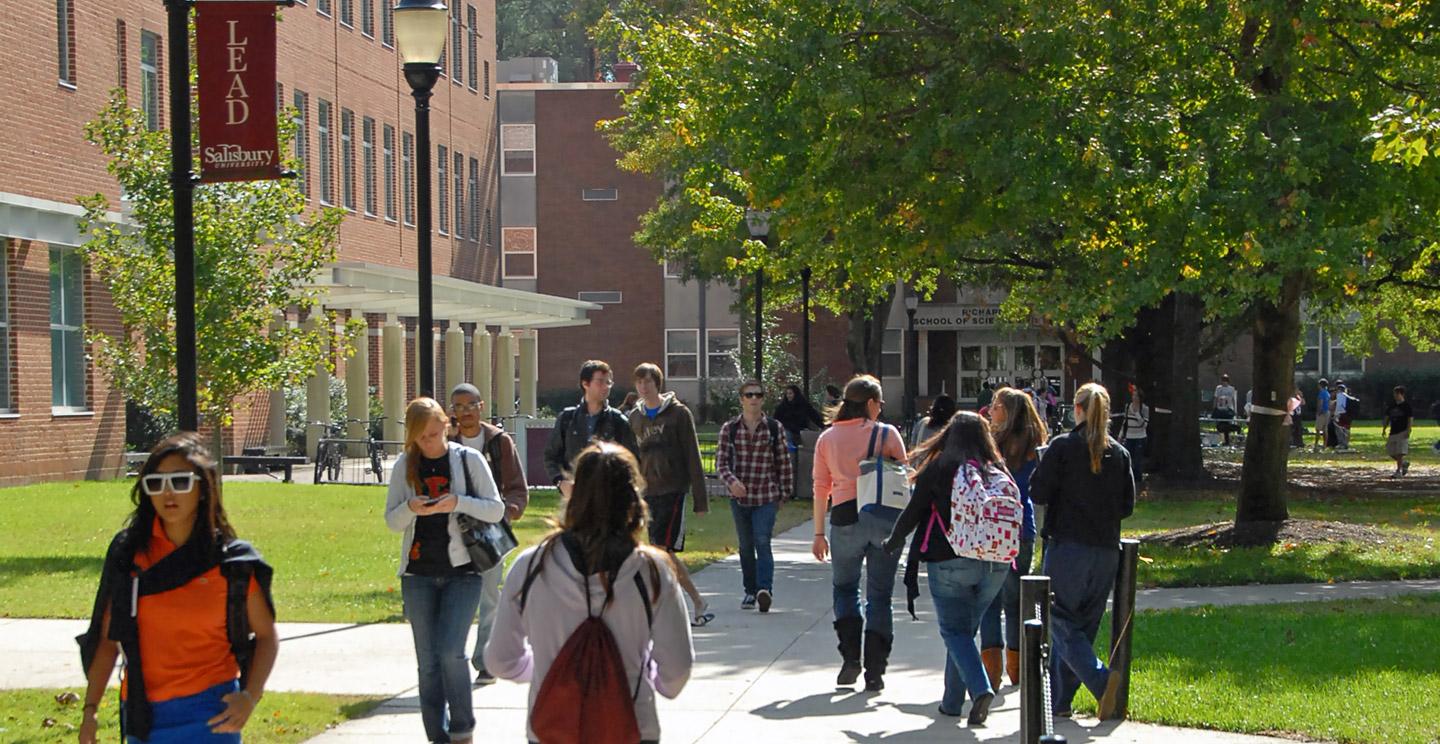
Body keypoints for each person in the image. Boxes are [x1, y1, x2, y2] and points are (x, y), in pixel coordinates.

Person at [484, 442, 695, 744]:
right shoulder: (652, 572)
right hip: (632, 727)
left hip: (554, 729)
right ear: (634, 499)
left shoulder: (531, 567)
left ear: (574, 493)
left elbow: (500, 660)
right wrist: (648, 678)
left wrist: (550, 668)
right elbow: (676, 671)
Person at [78, 433, 278, 744]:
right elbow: (107, 641)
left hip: (212, 713)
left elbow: (266, 635)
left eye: (181, 481)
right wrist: (90, 710)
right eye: (156, 483)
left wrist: (250, 697)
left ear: (202, 487)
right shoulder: (130, 556)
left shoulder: (231, 562)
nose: (168, 493)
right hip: (144, 714)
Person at [385, 397, 506, 744]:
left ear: (447, 426)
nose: (431, 442)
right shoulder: (404, 466)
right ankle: (436, 735)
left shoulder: (468, 459)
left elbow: (496, 509)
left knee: (451, 652)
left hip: (463, 572)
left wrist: (459, 502)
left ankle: (462, 729)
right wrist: (411, 508)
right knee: (428, 661)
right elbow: (392, 521)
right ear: (412, 437)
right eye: (423, 438)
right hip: (418, 574)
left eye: (436, 434)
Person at [884, 412, 1014, 724]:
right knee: (965, 633)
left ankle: (980, 688)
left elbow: (914, 512)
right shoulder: (996, 468)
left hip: (951, 560)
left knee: (955, 631)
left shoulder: (941, 466)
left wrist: (893, 542)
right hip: (996, 564)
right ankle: (952, 703)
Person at [1030, 382, 1135, 720]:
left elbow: (1039, 492)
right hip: (1106, 551)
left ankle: (1101, 681)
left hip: (1068, 548)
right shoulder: (1119, 453)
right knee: (1082, 629)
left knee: (1058, 620)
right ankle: (1061, 702)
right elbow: (1127, 506)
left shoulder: (1063, 447)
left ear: (1077, 409)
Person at [812, 375, 908, 691]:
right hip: (881, 517)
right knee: (879, 595)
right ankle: (875, 670)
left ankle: (850, 657)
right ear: (869, 403)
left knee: (844, 588)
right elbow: (903, 477)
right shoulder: (887, 434)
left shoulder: (827, 438)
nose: (881, 408)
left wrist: (817, 534)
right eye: (879, 403)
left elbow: (820, 487)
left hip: (843, 517)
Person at [448, 383, 530, 687]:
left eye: (471, 405)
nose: (466, 412)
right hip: (451, 529)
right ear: (452, 411)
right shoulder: (446, 441)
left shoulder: (498, 442)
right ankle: (452, 658)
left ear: (482, 407)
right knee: (455, 595)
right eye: (459, 406)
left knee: (489, 595)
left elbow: (517, 487)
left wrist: (508, 511)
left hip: (489, 531)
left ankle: (484, 661)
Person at [628, 362, 712, 626]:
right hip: (646, 492)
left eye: (648, 382)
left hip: (673, 489)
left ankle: (663, 606)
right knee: (659, 552)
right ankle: (695, 600)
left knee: (661, 551)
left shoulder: (678, 414)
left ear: (657, 383)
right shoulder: (635, 417)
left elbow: (692, 454)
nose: (643, 387)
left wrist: (700, 498)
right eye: (639, 382)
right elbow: (631, 456)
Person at [978, 387, 1048, 690]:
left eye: (995, 406)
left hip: (991, 528)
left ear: (1006, 410)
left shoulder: (990, 445)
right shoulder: (1035, 446)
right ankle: (1017, 668)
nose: (990, 409)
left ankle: (991, 672)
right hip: (1021, 528)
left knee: (988, 602)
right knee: (1016, 602)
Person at [717, 380, 795, 612]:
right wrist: (732, 482)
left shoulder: (773, 428)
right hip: (740, 498)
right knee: (745, 545)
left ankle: (764, 590)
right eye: (748, 395)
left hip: (766, 495)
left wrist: (784, 492)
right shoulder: (729, 429)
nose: (753, 399)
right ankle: (750, 591)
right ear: (741, 399)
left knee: (762, 540)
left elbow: (783, 462)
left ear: (763, 399)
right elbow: (721, 464)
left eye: (758, 395)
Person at [544, 360, 639, 498]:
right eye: (600, 382)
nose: (606, 387)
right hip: (575, 496)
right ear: (585, 383)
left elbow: (632, 460)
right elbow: (551, 456)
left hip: (608, 497)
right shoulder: (567, 419)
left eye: (609, 382)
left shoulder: (618, 421)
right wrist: (561, 481)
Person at [774, 384, 825, 498]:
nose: (789, 396)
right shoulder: (783, 407)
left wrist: (823, 425)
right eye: (787, 394)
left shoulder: (803, 405)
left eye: (791, 393)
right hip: (788, 432)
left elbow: (813, 415)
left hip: (800, 432)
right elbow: (776, 420)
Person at [1118, 385, 1149, 488]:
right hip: (1129, 436)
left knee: (1138, 459)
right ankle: (1128, 479)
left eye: (1136, 396)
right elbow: (1125, 422)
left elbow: (1144, 424)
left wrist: (1137, 413)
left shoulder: (1144, 409)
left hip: (1140, 437)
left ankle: (1138, 480)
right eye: (1133, 396)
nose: (1134, 398)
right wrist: (1120, 435)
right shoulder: (1128, 407)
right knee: (1128, 458)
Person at [1382, 385, 1413, 477]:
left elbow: (1410, 418)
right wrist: (1384, 428)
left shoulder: (1406, 406)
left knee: (1399, 453)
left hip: (1402, 431)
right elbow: (1387, 417)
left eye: (1397, 394)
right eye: (1394, 394)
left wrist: (1408, 429)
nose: (1395, 395)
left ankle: (1398, 471)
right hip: (1393, 431)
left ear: (1402, 394)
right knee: (1391, 451)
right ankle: (1404, 464)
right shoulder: (1392, 405)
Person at [1213, 373, 1238, 446]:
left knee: (1226, 424)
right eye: (1223, 380)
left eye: (1225, 380)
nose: (1224, 382)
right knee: (1220, 425)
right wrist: (1214, 407)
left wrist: (1234, 409)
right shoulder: (1218, 388)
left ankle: (1227, 440)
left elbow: (1233, 399)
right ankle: (1222, 440)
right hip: (1220, 409)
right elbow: (1216, 398)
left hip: (1228, 409)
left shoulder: (1231, 389)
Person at [1334, 382, 1354, 449]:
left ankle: (1342, 444)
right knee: (1347, 429)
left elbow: (1339, 406)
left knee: (1339, 429)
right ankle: (1346, 443)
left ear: (1339, 389)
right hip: (1349, 414)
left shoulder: (1340, 395)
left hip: (1342, 414)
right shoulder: (1347, 396)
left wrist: (1336, 415)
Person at [1315, 378, 1332, 449]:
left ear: (1320, 385)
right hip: (1327, 411)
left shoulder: (1321, 393)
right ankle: (1325, 444)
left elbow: (1320, 403)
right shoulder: (1327, 393)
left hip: (1322, 412)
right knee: (1325, 429)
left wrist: (1319, 411)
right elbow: (1329, 403)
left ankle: (1316, 444)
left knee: (1318, 429)